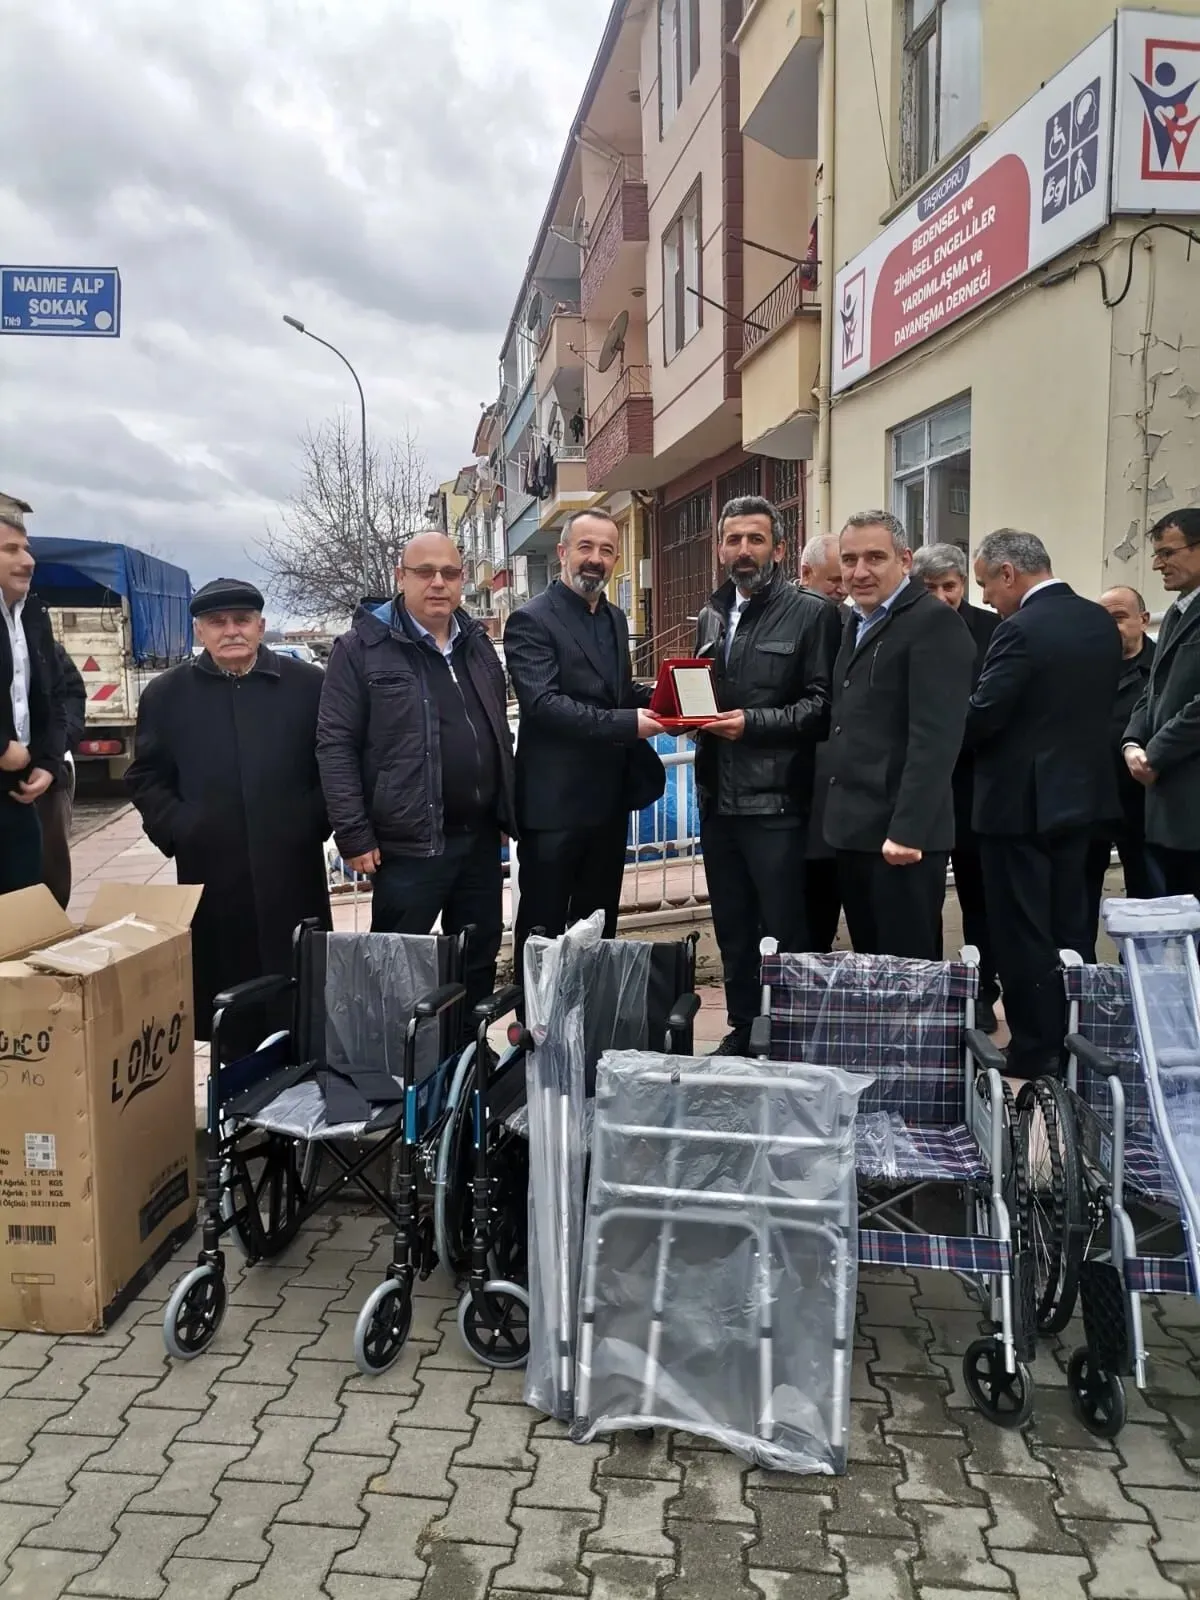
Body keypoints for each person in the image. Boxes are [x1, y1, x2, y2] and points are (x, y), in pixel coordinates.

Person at [127, 579, 331, 1049]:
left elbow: (336, 761)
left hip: (292, 866)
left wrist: (313, 820)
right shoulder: (167, 694)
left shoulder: (309, 686)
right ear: (199, 630)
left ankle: (303, 1094)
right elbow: (145, 776)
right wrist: (181, 827)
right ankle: (235, 1100)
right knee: (227, 1000)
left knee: (301, 990)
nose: (231, 631)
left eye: (242, 620)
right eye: (218, 622)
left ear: (261, 626)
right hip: (211, 871)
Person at [318, 532, 515, 1016]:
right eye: (425, 573)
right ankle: (394, 1066)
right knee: (396, 963)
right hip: (407, 844)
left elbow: (494, 731)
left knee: (476, 956)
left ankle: (466, 1058)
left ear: (462, 581)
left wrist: (509, 806)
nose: (438, 584)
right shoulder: (361, 649)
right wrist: (354, 833)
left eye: (449, 573)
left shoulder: (477, 645)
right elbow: (335, 745)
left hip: (479, 839)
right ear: (400, 578)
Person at [966, 531, 1121, 1079]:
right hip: (1083, 801)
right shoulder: (1098, 620)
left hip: (1020, 807)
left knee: (1022, 931)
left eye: (986, 582)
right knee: (1072, 929)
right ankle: (1078, 1039)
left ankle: (1037, 1049)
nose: (986, 597)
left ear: (1009, 573)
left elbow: (985, 714)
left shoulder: (1019, 631)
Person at [694, 498, 840, 1054]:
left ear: (778, 548)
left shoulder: (811, 613)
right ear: (720, 549)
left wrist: (752, 724)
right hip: (716, 799)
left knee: (784, 927)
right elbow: (702, 690)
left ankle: (794, 1033)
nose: (744, 550)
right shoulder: (711, 613)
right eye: (733, 540)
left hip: (777, 801)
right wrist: (688, 717)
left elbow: (823, 708)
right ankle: (741, 1028)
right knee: (732, 927)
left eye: (755, 539)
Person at [505, 510, 664, 976]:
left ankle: (589, 1030)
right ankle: (533, 1036)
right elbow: (545, 705)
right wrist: (627, 724)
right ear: (563, 553)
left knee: (598, 928)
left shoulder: (614, 618)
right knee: (543, 932)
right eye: (585, 547)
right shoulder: (530, 620)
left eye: (607, 550)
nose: (595, 559)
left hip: (608, 806)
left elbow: (619, 693)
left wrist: (672, 700)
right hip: (554, 811)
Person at [824, 511, 975, 959]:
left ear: (905, 560)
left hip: (901, 837)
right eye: (849, 560)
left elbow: (936, 739)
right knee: (873, 967)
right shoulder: (856, 621)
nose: (859, 572)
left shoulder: (933, 623)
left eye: (875, 557)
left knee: (908, 973)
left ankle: (921, 1034)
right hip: (855, 831)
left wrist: (908, 831)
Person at [912, 542, 1001, 1032]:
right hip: (921, 786)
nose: (944, 597)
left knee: (978, 894)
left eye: (951, 586)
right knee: (920, 895)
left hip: (971, 782)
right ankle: (928, 990)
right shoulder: (903, 629)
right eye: (932, 588)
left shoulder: (991, 630)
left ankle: (984, 991)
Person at [1124, 508, 1200, 897]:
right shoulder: (1176, 612)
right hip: (1171, 808)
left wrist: (1155, 753)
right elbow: (1153, 689)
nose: (1157, 564)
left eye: (1168, 553)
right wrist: (1132, 742)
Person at [0, 494, 68, 894]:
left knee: (25, 913)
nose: (28, 560)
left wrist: (48, 761)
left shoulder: (32, 614)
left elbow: (56, 694)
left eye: (27, 549)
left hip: (18, 796)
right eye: (11, 549)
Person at [1086, 586, 1157, 924]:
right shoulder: (1083, 669)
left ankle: (1143, 970)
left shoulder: (1161, 671)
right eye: (1104, 620)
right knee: (1079, 897)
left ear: (1143, 620)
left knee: (1148, 895)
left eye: (1120, 618)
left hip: (1143, 802)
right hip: (1091, 801)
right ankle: (1080, 971)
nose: (1111, 627)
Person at [797, 533, 847, 953]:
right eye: (833, 579)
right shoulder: (787, 619)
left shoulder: (856, 622)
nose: (842, 588)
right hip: (797, 787)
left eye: (843, 578)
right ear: (805, 573)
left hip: (841, 792)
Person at [37, 642, 85, 908]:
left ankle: (48, 939)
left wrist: (53, 751)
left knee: (48, 879)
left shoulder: (33, 634)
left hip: (43, 780)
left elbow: (71, 693)